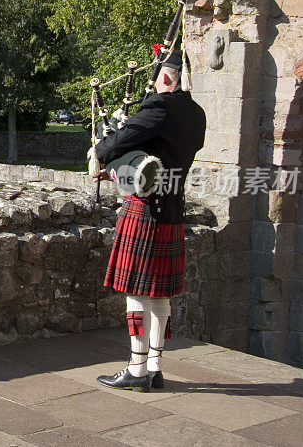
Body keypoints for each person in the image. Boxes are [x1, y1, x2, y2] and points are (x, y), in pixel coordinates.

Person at [93, 50, 206, 392]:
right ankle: (155, 367)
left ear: (166, 77)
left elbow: (107, 147)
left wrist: (109, 137)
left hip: (145, 209)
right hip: (173, 211)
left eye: (156, 76)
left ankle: (136, 369)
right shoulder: (197, 114)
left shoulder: (158, 107)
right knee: (160, 296)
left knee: (137, 294)